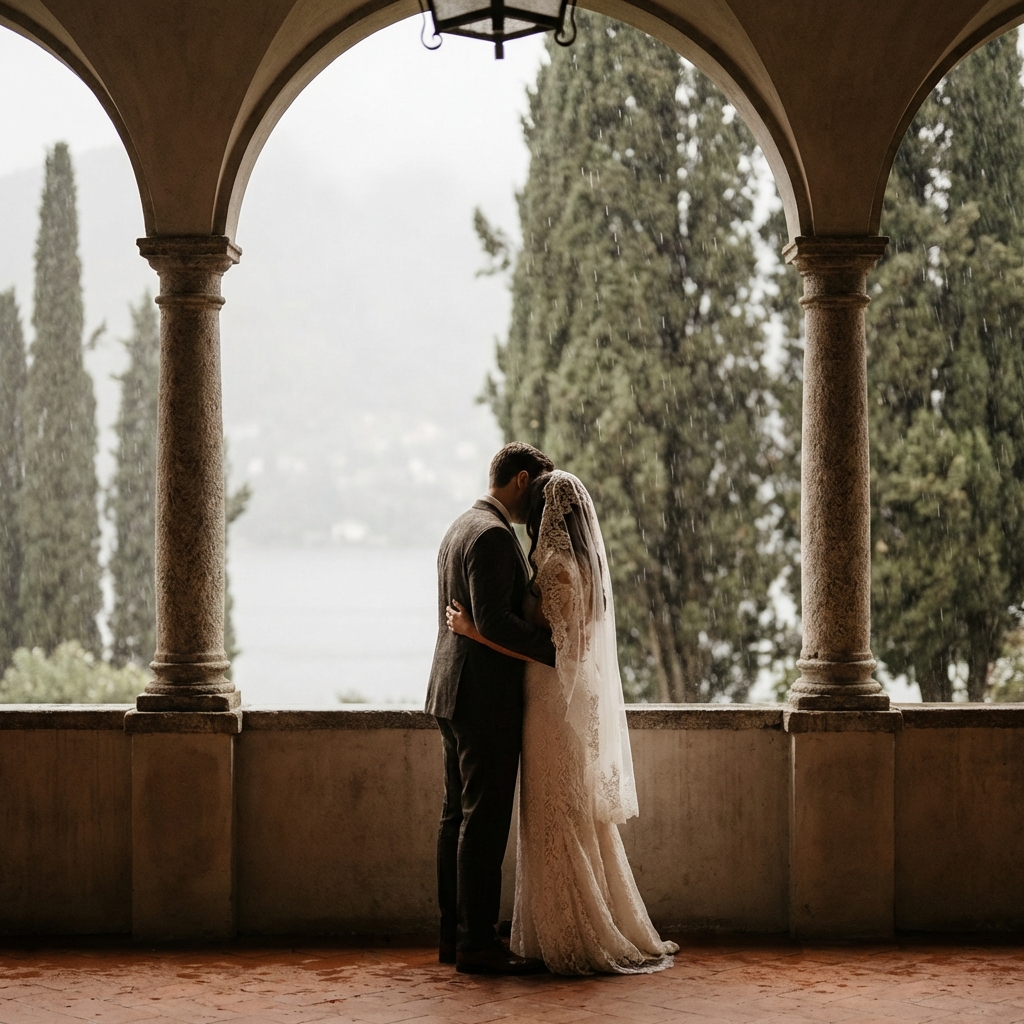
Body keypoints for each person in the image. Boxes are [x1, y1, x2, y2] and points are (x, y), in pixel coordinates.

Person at [446, 470, 679, 975]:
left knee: (548, 810)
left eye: (541, 506)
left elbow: (555, 647)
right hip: (551, 700)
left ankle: (552, 929)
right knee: (557, 812)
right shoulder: (576, 563)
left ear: (554, 514)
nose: (533, 514)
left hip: (550, 699)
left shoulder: (555, 566)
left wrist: (470, 628)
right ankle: (540, 927)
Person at [426, 442, 556, 975]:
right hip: (483, 700)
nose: (540, 505)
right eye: (539, 489)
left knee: (456, 817)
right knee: (482, 823)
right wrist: (555, 652)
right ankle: (477, 943)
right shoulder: (494, 537)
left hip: (451, 692)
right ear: (521, 480)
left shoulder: (461, 526)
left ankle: (455, 937)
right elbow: (494, 623)